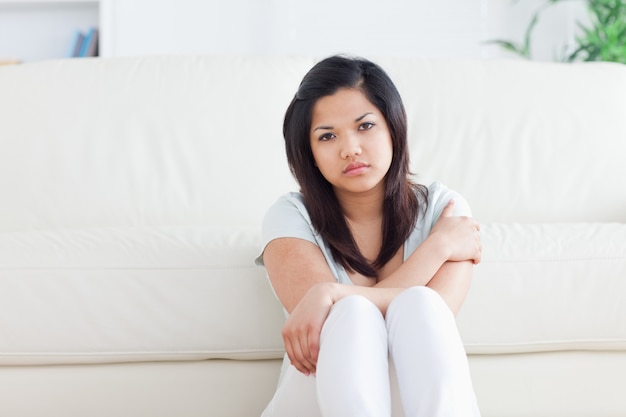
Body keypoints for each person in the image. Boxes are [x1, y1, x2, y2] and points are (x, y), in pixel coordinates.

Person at [255, 55, 482, 417]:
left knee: (419, 306)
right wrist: (437, 248)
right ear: (309, 152)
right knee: (352, 315)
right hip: (318, 401)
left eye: (365, 126)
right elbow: (331, 327)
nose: (350, 149)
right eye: (327, 136)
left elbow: (433, 321)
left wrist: (330, 292)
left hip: (421, 400)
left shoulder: (445, 210)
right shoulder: (290, 215)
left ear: (393, 127)